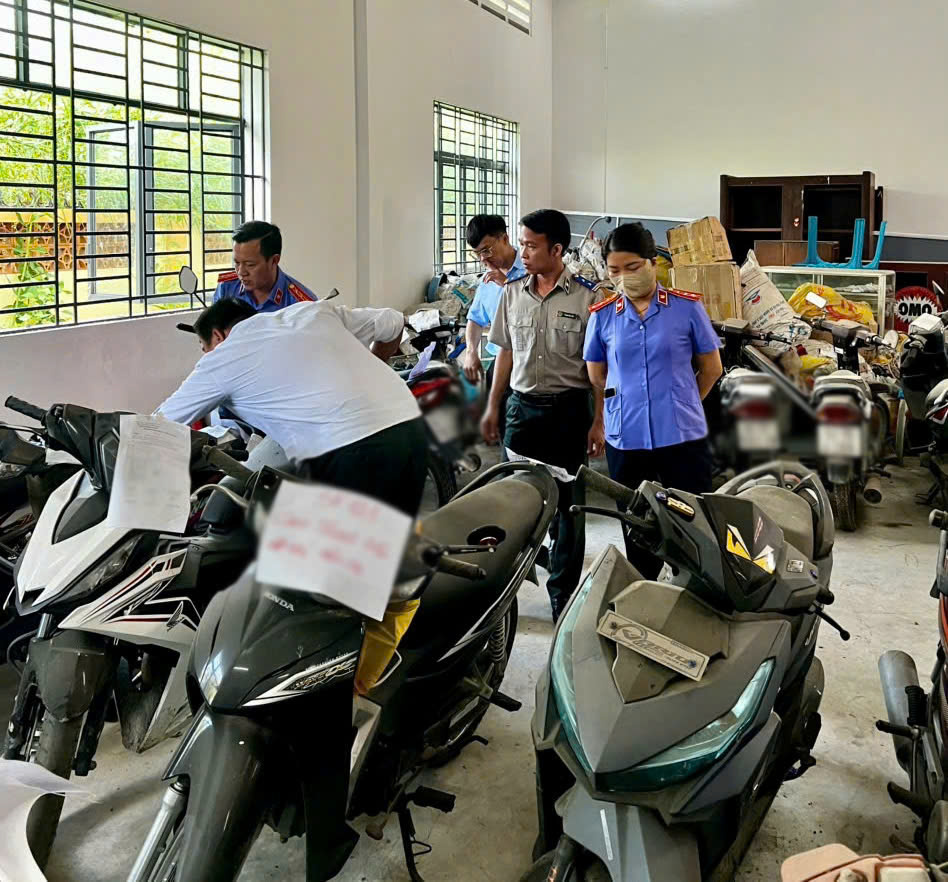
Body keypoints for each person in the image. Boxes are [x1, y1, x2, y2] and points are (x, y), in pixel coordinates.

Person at [156, 298, 426, 517]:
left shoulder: (222, 357)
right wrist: (370, 372)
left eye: (204, 348)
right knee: (387, 548)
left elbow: (158, 424)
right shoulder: (311, 311)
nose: (205, 355)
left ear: (217, 336)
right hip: (410, 425)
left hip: (349, 449)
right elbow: (392, 320)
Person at [482, 208, 605, 622]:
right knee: (513, 504)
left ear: (557, 249)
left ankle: (562, 597)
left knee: (569, 510)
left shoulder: (587, 297)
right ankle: (504, 595)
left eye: (532, 246)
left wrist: (598, 420)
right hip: (521, 411)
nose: (524, 253)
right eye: (523, 244)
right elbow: (504, 352)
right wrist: (493, 406)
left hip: (568, 412)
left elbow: (599, 369)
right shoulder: (512, 293)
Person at [583, 222, 723, 577]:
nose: (624, 277)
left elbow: (711, 369)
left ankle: (694, 597)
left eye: (632, 267)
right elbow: (597, 375)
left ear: (652, 263)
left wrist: (685, 401)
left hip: (682, 437)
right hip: (627, 439)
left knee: (693, 529)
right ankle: (646, 594)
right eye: (614, 270)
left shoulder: (686, 308)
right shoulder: (603, 316)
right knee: (639, 532)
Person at [462, 216, 527, 454]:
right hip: (499, 365)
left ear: (505, 239)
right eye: (477, 254)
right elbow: (475, 319)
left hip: (528, 364)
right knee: (503, 431)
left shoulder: (531, 267)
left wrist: (509, 284)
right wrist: (471, 352)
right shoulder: (488, 279)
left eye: (487, 250)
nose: (483, 259)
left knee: (525, 436)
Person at [213, 220, 317, 311]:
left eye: (250, 265)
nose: (241, 272)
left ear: (274, 261)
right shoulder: (226, 288)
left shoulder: (302, 304)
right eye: (237, 263)